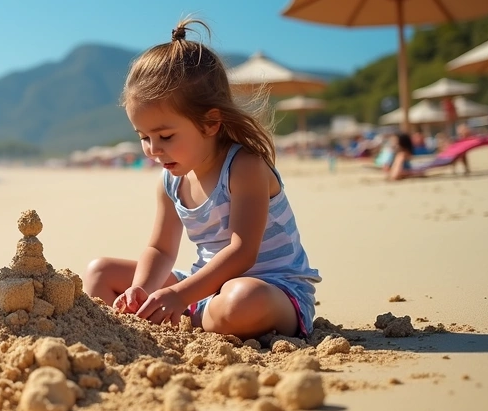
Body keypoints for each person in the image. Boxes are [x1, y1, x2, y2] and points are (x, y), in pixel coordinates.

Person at [83, 19, 321, 340]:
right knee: (100, 272)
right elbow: (160, 248)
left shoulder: (244, 166)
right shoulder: (171, 181)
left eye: (165, 136)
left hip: (272, 290)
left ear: (210, 123)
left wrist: (180, 296)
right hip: (204, 290)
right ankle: (170, 319)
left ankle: (183, 319)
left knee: (241, 300)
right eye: (144, 137)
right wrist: (141, 288)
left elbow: (242, 252)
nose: (153, 150)